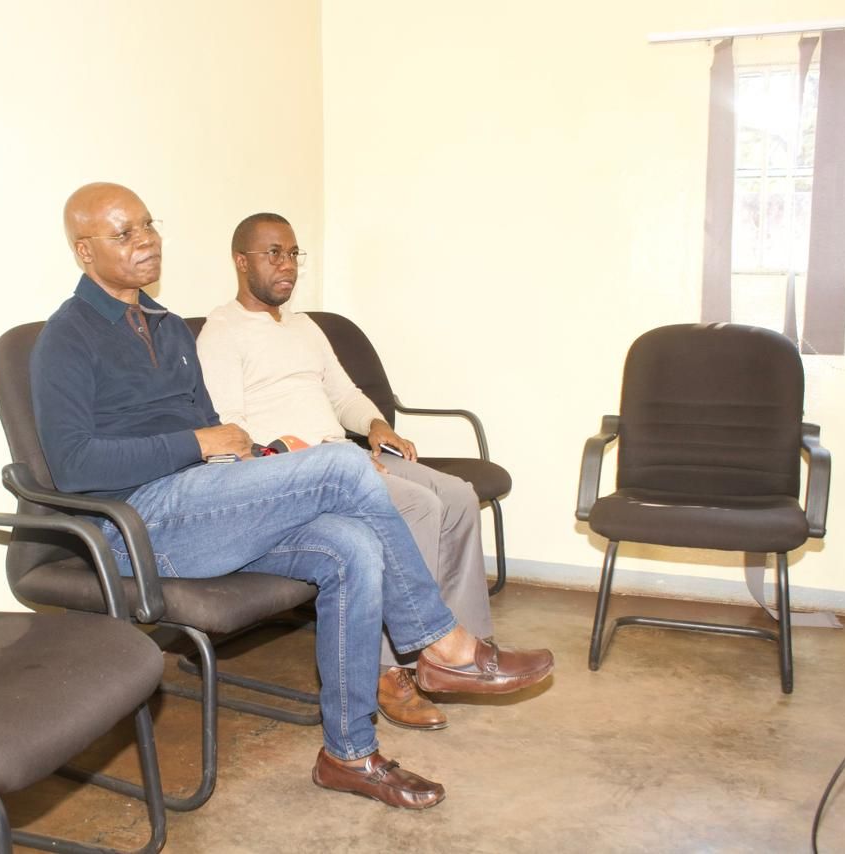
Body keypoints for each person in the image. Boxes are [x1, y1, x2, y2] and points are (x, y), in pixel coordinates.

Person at [30, 182, 554, 810]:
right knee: (343, 465)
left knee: (354, 546)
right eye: (124, 233)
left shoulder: (167, 328)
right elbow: (73, 466)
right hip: (137, 525)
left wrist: (252, 459)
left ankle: (349, 754)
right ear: (85, 251)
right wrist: (197, 442)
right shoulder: (67, 336)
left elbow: (217, 432)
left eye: (148, 225)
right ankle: (442, 643)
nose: (146, 241)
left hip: (206, 501)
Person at [195, 211, 500, 731]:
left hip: (346, 455)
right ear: (241, 261)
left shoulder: (303, 326)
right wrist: (308, 459)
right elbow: (231, 432)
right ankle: (388, 669)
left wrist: (376, 425)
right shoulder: (221, 333)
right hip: (298, 473)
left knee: (458, 496)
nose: (287, 265)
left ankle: (458, 648)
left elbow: (343, 395)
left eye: (293, 253)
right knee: (419, 506)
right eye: (273, 253)